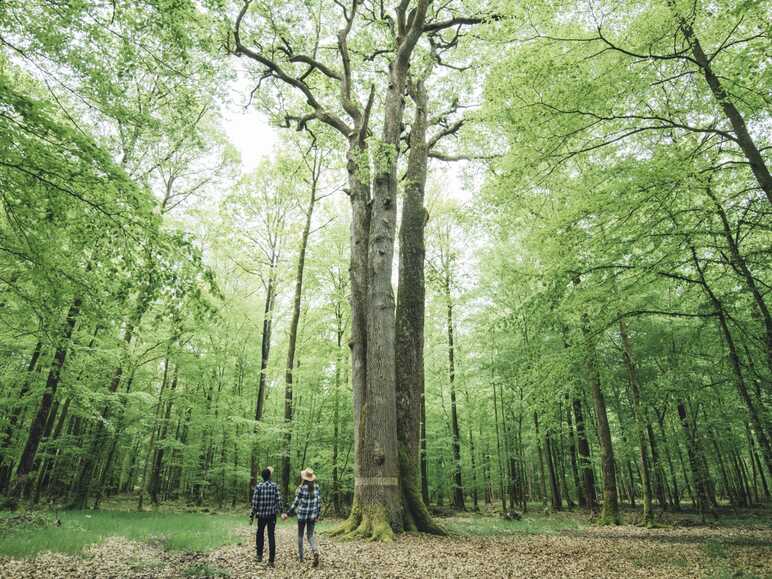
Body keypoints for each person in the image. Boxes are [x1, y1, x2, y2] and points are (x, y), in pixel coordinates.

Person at [282, 467, 321, 568]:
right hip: (312, 515)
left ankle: (301, 558)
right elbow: (318, 502)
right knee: (310, 535)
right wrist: (318, 515)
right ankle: (315, 551)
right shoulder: (317, 487)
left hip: (302, 516)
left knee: (300, 536)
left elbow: (295, 503)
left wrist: (287, 513)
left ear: (304, 478)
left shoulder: (301, 488)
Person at [250, 466, 282, 567]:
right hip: (272, 516)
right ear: (270, 476)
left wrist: (252, 515)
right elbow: (279, 501)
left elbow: (254, 503)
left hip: (261, 516)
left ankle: (259, 556)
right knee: (271, 536)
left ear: (262, 476)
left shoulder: (259, 487)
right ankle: (271, 561)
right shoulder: (274, 486)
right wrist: (282, 512)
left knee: (260, 534)